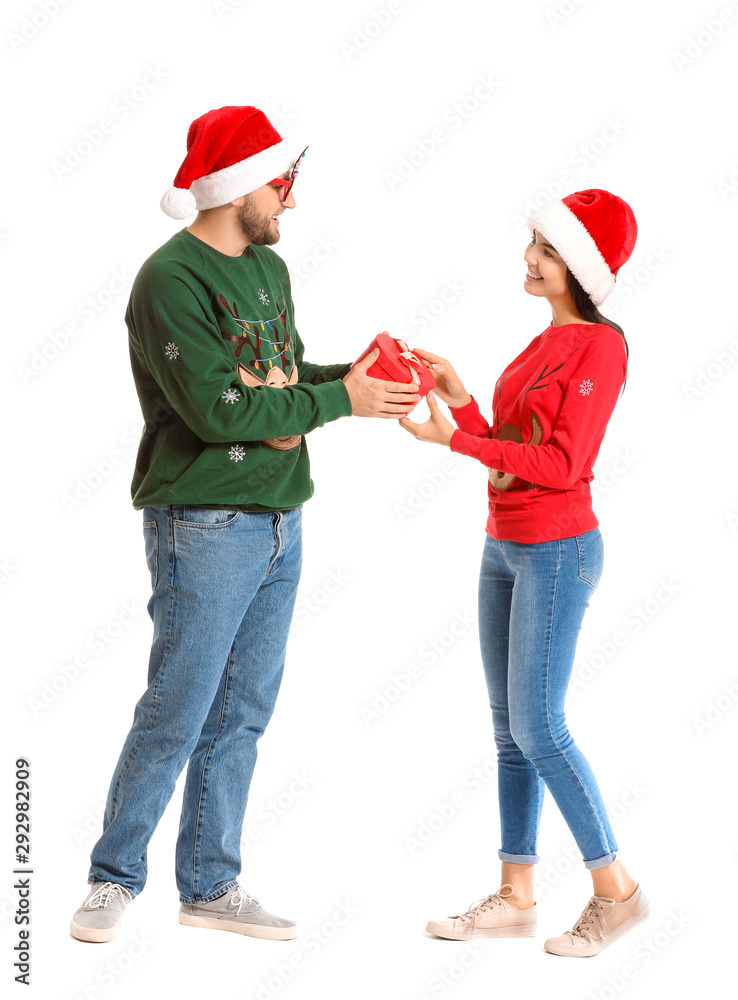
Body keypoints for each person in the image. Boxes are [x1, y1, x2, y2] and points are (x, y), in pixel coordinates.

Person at [70, 105, 420, 944]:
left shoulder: (269, 271)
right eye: (282, 183)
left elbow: (282, 381)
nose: (289, 202)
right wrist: (319, 404)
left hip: (278, 519)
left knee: (244, 712)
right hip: (203, 523)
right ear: (237, 185)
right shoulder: (169, 280)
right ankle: (112, 878)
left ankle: (210, 884)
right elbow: (223, 408)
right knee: (178, 707)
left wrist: (350, 379)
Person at [400, 189, 650, 958]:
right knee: (511, 730)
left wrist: (458, 443)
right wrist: (463, 400)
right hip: (503, 545)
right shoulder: (541, 344)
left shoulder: (600, 349)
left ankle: (617, 895)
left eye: (543, 248)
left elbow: (562, 464)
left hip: (558, 550)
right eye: (533, 244)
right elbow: (511, 452)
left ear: (576, 264)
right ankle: (516, 894)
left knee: (541, 727)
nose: (528, 258)